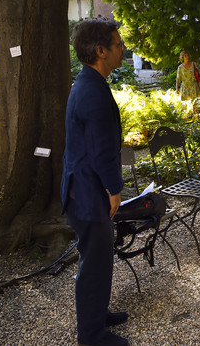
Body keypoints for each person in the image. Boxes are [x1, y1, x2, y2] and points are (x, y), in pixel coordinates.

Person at [61, 18, 129, 346]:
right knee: (94, 262)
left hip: (84, 189)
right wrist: (114, 190)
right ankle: (91, 334)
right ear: (101, 51)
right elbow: (101, 151)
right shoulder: (93, 91)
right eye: (118, 45)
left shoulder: (88, 83)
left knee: (99, 258)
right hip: (89, 194)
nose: (123, 49)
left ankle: (97, 313)